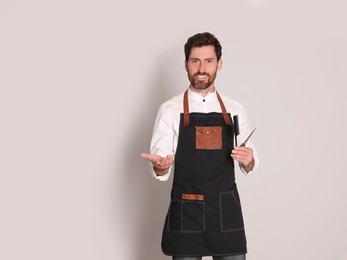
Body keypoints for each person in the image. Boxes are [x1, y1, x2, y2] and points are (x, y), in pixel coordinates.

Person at [141, 32, 259, 260]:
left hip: (225, 212)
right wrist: (161, 166)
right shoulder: (170, 110)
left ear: (219, 64)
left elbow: (251, 162)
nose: (201, 68)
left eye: (209, 61)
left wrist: (249, 159)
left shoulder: (235, 109)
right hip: (187, 211)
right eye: (195, 61)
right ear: (186, 64)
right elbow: (160, 163)